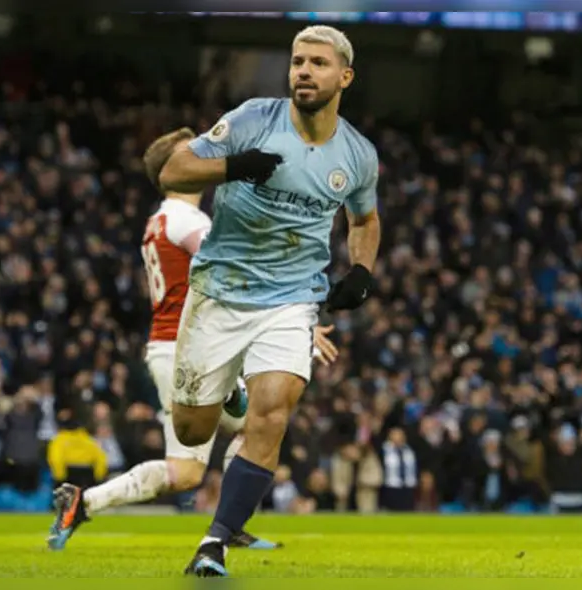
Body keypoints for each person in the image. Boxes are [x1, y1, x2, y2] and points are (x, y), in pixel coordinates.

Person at [46, 128, 340, 552]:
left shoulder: (162, 219)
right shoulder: (187, 219)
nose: (204, 157)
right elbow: (234, 269)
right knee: (228, 445)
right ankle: (94, 503)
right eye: (192, 153)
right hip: (189, 352)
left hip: (178, 347)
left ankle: (220, 521)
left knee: (234, 441)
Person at [158, 25, 380, 577]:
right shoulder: (253, 118)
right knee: (191, 431)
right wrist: (234, 166)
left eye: (318, 63)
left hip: (292, 299)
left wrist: (361, 271)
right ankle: (229, 389)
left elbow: (365, 219)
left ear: (344, 77)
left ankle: (214, 542)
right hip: (220, 290)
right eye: (298, 61)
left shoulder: (358, 154)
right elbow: (173, 170)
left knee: (273, 414)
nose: (303, 71)